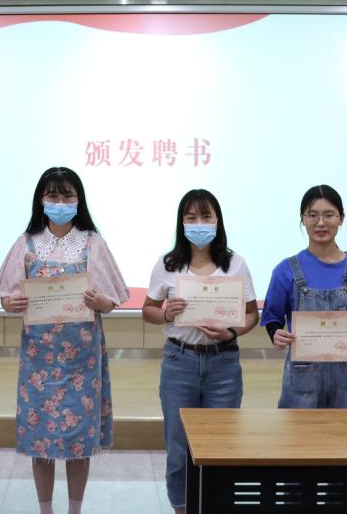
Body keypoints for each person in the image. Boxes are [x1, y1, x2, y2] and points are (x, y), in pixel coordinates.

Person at [0, 166, 129, 514]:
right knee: (40, 439)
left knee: (78, 440)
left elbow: (111, 301)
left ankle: (74, 510)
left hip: (82, 361)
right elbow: (7, 296)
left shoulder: (93, 243)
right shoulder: (26, 243)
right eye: (53, 195)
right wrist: (11, 304)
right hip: (38, 360)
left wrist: (101, 302)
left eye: (67, 195)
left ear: (78, 200)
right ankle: (45, 510)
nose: (60, 202)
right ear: (41, 199)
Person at [142, 189, 259, 514]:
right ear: (181, 223)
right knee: (179, 449)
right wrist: (166, 313)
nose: (199, 223)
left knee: (222, 446)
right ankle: (181, 508)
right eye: (191, 217)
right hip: (179, 361)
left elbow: (252, 314)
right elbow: (148, 310)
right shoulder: (168, 264)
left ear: (217, 220)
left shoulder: (235, 264)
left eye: (205, 216)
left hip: (223, 362)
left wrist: (232, 331)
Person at [260, 185, 347, 409]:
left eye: (329, 215)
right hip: (302, 380)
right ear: (303, 219)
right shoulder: (285, 270)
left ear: (341, 218)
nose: (321, 223)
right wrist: (275, 333)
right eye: (312, 215)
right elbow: (272, 317)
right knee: (299, 432)